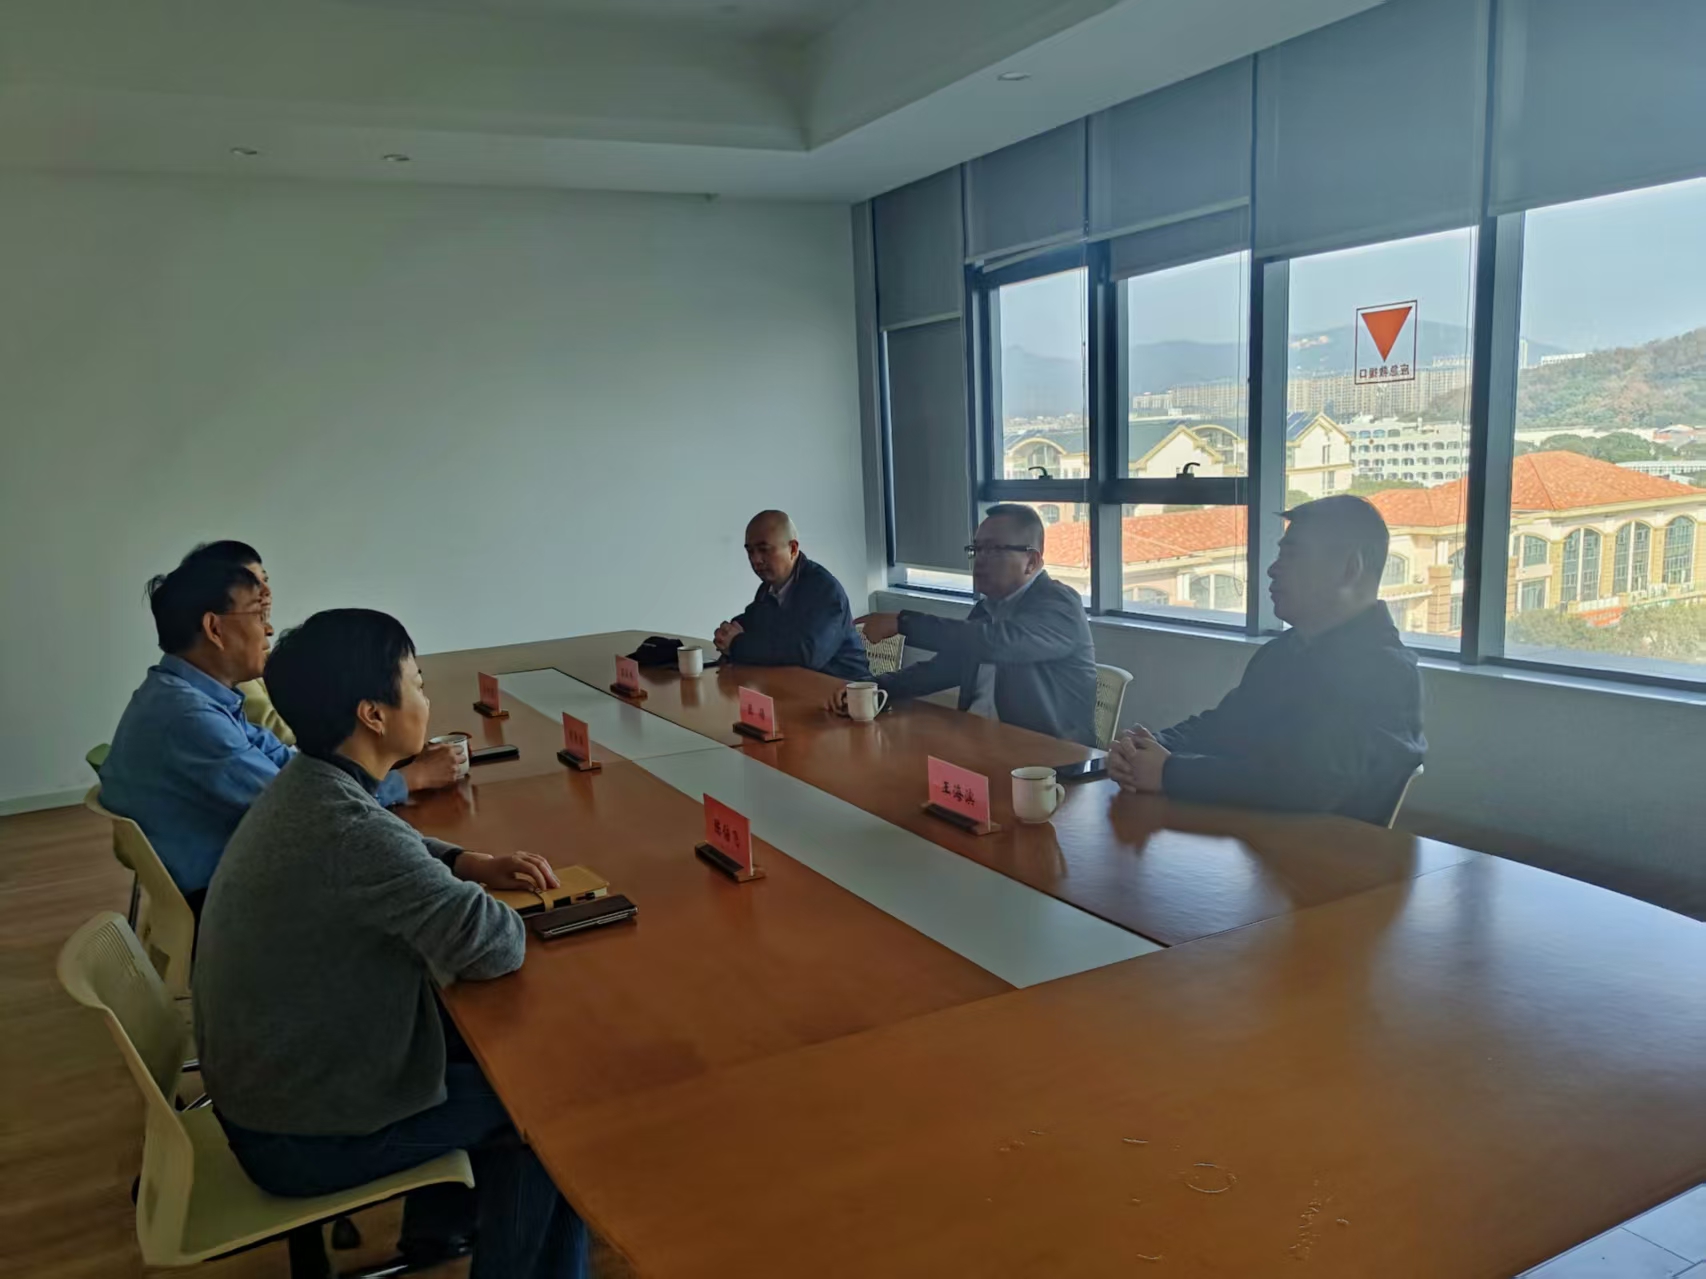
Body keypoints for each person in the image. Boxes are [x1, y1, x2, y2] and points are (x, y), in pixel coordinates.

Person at [194, 609, 587, 1279]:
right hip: (299, 1132)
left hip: (275, 1083)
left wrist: (463, 861)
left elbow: (380, 839)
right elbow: (494, 944)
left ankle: (441, 1225)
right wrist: (467, 894)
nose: (427, 698)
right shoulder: (347, 830)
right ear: (373, 714)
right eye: (418, 682)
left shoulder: (311, 784)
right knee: (549, 1104)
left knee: (492, 1048)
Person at [98, 558, 458, 905]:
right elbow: (302, 808)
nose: (269, 629)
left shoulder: (189, 695)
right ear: (214, 628)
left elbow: (288, 764)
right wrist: (408, 780)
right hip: (226, 895)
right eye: (259, 616)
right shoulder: (189, 718)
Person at [1107, 495, 1426, 824]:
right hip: (1249, 839)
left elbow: (1307, 784)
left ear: (1349, 569)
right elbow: (1224, 726)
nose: (1273, 570)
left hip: (1321, 852)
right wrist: (1148, 749)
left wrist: (1170, 772)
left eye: (1292, 556)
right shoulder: (1286, 651)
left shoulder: (1385, 673)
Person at [847, 504, 1097, 746]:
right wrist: (869, 689)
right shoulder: (987, 610)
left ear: (1031, 561)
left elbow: (999, 642)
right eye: (976, 549)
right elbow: (940, 670)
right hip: (977, 745)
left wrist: (904, 623)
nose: (980, 560)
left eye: (994, 550)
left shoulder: (1061, 605)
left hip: (1046, 760)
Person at [714, 510, 871, 681]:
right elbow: (755, 622)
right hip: (795, 686)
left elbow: (806, 655)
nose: (755, 560)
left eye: (764, 550)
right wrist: (728, 633)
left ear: (793, 549)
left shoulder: (824, 590)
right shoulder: (768, 589)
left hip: (845, 689)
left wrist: (737, 644)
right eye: (750, 551)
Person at [177, 540, 293, 743]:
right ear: (214, 627)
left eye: (265, 580)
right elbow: (277, 729)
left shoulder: (261, 654)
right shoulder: (228, 667)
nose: (266, 592)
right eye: (252, 584)